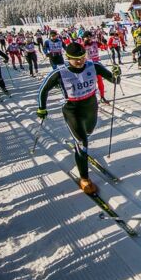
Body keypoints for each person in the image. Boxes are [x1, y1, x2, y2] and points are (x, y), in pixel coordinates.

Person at [36, 42, 121, 194]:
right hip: (72, 110)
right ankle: (84, 178)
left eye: (82, 57)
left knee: (88, 132)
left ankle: (80, 143)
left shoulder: (93, 65)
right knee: (82, 142)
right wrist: (42, 108)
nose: (80, 61)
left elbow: (114, 80)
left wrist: (116, 74)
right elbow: (43, 90)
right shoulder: (59, 72)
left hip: (91, 107)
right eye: (76, 59)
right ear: (68, 58)